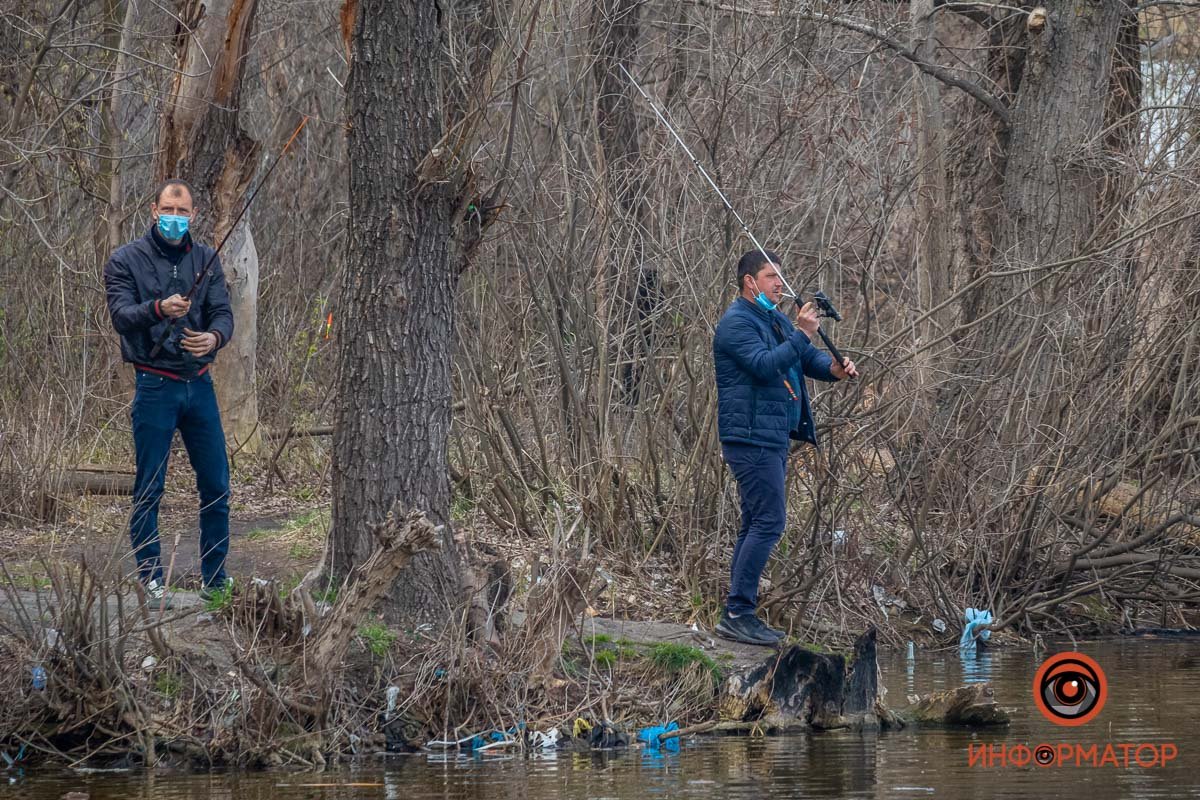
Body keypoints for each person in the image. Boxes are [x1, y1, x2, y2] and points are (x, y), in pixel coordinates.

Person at [711, 249, 859, 645]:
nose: (780, 283)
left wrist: (833, 367)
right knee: (770, 522)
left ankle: (738, 612)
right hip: (749, 437)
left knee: (755, 522)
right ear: (750, 282)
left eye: (780, 275)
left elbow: (804, 358)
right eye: (771, 276)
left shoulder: (773, 318)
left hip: (772, 436)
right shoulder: (736, 324)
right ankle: (738, 613)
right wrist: (802, 333)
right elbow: (764, 364)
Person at [103, 179, 235, 607]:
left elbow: (222, 313)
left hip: (200, 385)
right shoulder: (125, 260)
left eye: (183, 212)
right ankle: (150, 577)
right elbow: (121, 316)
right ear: (154, 210)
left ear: (193, 215)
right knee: (149, 487)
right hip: (154, 384)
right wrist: (159, 308)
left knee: (216, 483)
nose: (175, 218)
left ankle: (215, 579)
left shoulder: (205, 259)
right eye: (168, 210)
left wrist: (214, 338)